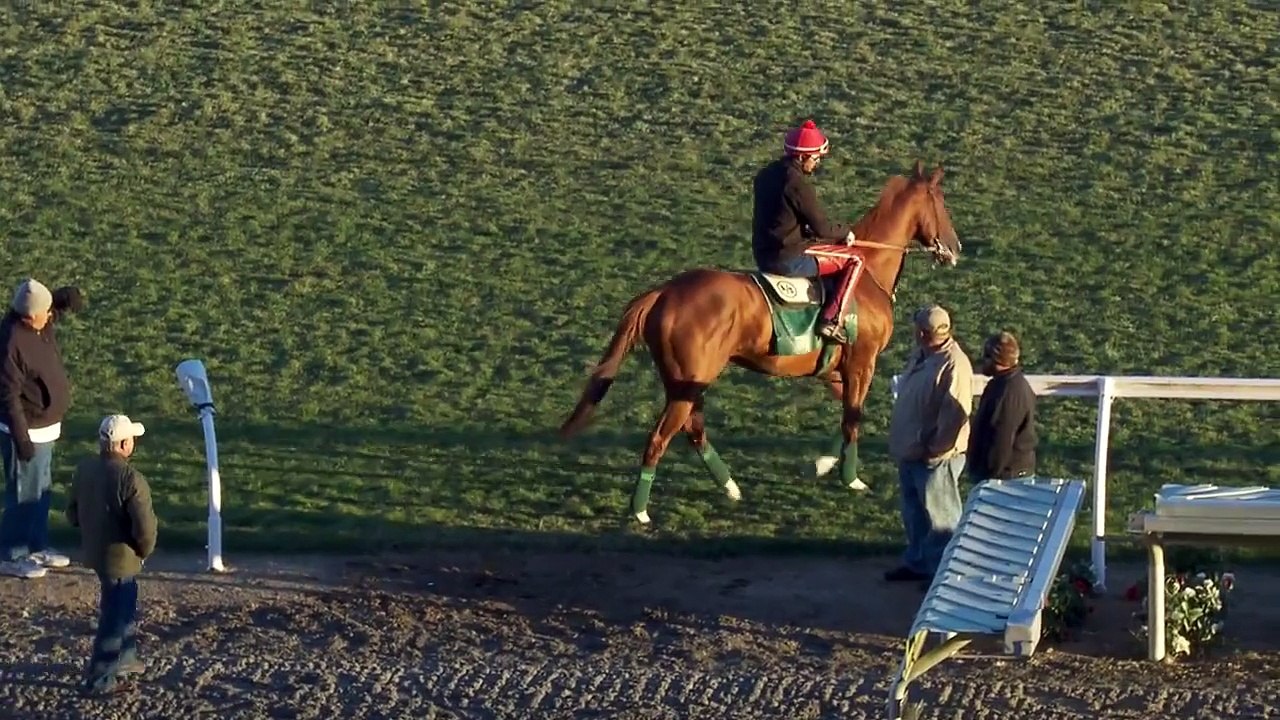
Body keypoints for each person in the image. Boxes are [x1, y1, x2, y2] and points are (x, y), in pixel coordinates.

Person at [751, 118, 866, 343]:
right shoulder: (797, 184)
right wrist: (845, 232)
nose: (816, 163)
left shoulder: (765, 174)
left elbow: (781, 216)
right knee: (856, 259)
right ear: (803, 156)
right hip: (787, 259)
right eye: (815, 158)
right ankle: (831, 321)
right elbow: (822, 227)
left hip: (763, 253)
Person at [0, 278, 85, 579]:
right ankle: (12, 554)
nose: (51, 316)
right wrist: (21, 439)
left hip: (45, 428)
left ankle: (36, 546)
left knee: (41, 491)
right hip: (26, 431)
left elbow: (51, 307)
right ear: (30, 316)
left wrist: (63, 298)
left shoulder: (38, 324)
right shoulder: (12, 343)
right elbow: (8, 397)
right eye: (46, 312)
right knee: (23, 494)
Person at [66, 414, 157, 695]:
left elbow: (71, 514)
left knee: (125, 606)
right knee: (114, 617)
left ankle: (126, 658)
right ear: (125, 444)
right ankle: (101, 679)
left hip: (95, 552)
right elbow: (145, 528)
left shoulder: (84, 469)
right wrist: (144, 551)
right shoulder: (131, 479)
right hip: (122, 559)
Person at [884, 304, 974, 583]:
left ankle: (946, 576)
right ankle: (919, 563)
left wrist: (936, 449)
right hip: (913, 450)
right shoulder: (924, 354)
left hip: (935, 455)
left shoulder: (954, 364)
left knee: (941, 518)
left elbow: (956, 412)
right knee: (915, 513)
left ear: (922, 333)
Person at [967, 331, 1037, 482]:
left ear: (996, 359)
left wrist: (989, 475)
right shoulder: (1006, 384)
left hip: (1006, 478)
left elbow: (1001, 437)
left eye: (986, 356)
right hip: (1009, 474)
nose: (982, 361)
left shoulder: (1007, 391)